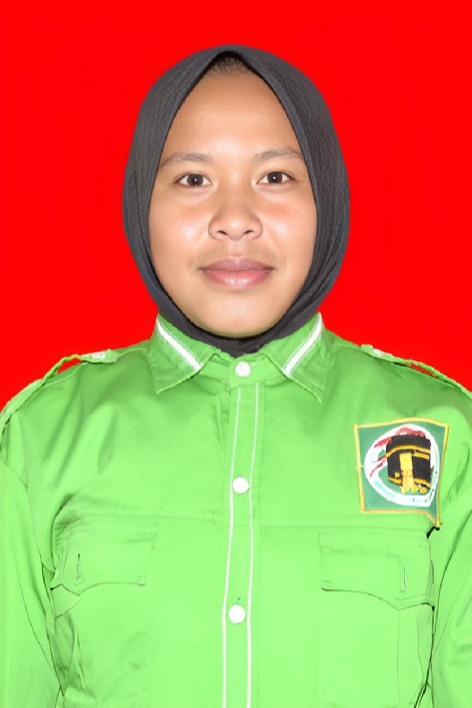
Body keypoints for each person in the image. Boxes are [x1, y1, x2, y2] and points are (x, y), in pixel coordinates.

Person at [0, 44, 471, 708]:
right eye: (193, 179)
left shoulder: (444, 433)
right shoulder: (40, 437)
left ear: (326, 197)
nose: (235, 221)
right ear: (141, 203)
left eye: (275, 177)